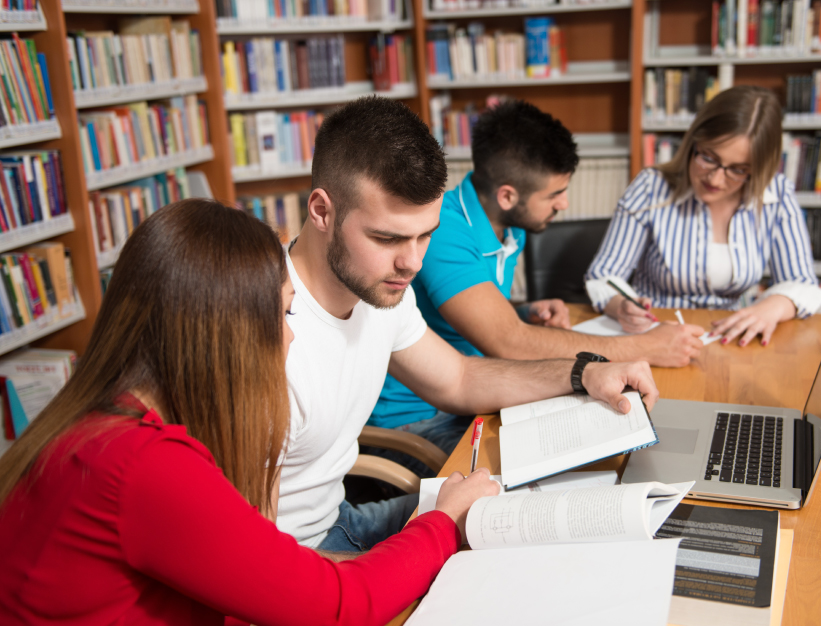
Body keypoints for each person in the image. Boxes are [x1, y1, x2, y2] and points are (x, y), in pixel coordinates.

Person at [0, 199, 502, 626]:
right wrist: (441, 522)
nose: (291, 335)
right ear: (228, 336)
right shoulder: (143, 465)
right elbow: (337, 606)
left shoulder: (103, 426)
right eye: (285, 313)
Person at [279, 96, 660, 553]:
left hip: (341, 518)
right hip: (299, 554)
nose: (414, 262)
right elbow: (252, 564)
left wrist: (583, 373)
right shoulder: (262, 328)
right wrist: (436, 528)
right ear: (321, 211)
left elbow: (457, 377)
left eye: (426, 234)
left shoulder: (380, 289)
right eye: (387, 238)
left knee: (553, 512)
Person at [370, 100, 703, 460]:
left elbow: (476, 312)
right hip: (418, 420)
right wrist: (649, 347)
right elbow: (509, 342)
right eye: (555, 194)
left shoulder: (511, 225)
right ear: (508, 196)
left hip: (475, 394)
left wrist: (522, 310)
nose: (564, 203)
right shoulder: (442, 230)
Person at [586, 85, 821, 347]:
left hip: (731, 342)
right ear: (693, 142)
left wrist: (772, 307)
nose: (715, 178)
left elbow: (802, 283)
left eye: (738, 169)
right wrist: (622, 306)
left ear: (758, 169)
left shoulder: (776, 194)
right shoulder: (650, 186)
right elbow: (603, 276)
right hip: (656, 338)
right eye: (709, 157)